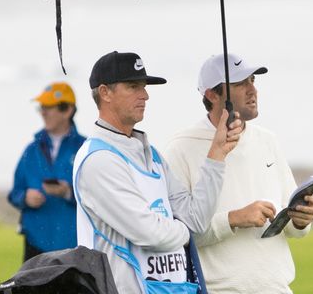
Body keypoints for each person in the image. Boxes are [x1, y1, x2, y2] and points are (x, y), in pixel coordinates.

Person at [73, 51, 244, 294]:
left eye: (143, 86)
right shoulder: (98, 160)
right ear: (104, 92)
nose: (145, 95)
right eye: (133, 86)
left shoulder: (150, 155)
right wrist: (185, 232)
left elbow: (195, 218)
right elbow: (151, 234)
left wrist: (217, 154)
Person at [163, 53, 313, 293]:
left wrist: (301, 221)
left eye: (253, 81)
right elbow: (179, 235)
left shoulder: (268, 140)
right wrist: (234, 218)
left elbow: (293, 227)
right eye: (239, 84)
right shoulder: (181, 148)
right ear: (212, 95)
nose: (252, 90)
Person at [9, 82, 86, 261]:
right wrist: (25, 198)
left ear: (67, 110)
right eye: (41, 107)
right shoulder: (31, 150)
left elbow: (99, 197)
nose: (43, 112)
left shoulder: (85, 148)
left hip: (74, 248)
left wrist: (68, 193)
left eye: (48, 107)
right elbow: (14, 193)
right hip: (34, 246)